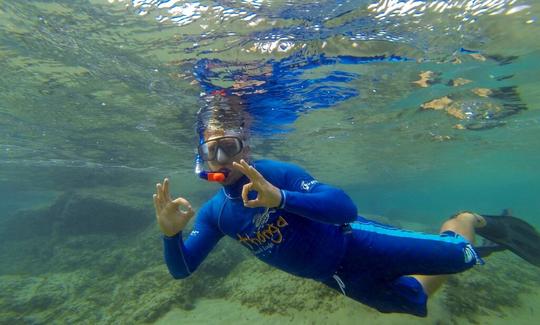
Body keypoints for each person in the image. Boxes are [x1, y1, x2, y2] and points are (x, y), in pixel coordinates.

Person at [153, 90, 540, 318]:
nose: (222, 159)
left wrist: (281, 198)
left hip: (356, 241)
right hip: (333, 275)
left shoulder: (276, 172)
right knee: (411, 299)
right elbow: (182, 270)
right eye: (212, 150)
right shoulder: (215, 215)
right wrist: (171, 235)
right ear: (201, 156)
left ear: (246, 146)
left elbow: (344, 208)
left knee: (463, 256)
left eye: (230, 147)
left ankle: (466, 219)